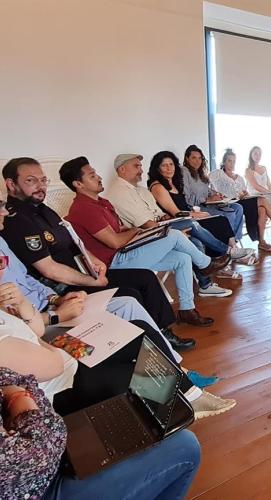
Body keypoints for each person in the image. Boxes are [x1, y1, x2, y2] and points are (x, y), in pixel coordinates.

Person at [0, 158, 193, 347]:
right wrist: (91, 281)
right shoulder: (17, 221)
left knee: (145, 277)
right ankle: (143, 343)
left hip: (85, 273)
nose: (40, 186)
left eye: (43, 180)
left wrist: (94, 261)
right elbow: (49, 269)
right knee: (130, 293)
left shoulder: (43, 210)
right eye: (31, 180)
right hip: (65, 286)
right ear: (11, 184)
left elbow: (74, 241)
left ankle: (162, 333)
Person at [0, 280, 235, 418]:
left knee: (139, 330)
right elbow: (54, 365)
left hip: (62, 355)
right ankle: (178, 405)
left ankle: (188, 393)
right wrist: (53, 341)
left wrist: (22, 304)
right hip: (58, 387)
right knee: (136, 372)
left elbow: (37, 331)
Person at [60, 157, 230, 327]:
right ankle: (205, 264)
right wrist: (137, 230)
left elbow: (120, 229)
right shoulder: (84, 209)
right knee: (174, 235)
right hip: (114, 262)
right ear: (78, 184)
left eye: (96, 173)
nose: (99, 177)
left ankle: (187, 310)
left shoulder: (101, 203)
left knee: (182, 258)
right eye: (92, 176)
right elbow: (114, 242)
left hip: (127, 250)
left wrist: (139, 232)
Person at [0, 367, 201, 500]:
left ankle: (185, 384)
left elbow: (14, 377)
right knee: (185, 446)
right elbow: (37, 451)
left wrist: (22, 401)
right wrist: (18, 395)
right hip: (40, 488)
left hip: (48, 458)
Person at [104, 154, 233, 299]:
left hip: (159, 227)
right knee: (192, 224)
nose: (141, 170)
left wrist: (167, 220)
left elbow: (160, 214)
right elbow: (146, 224)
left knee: (195, 239)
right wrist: (172, 231)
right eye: (136, 166)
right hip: (144, 237)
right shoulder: (119, 192)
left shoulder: (141, 190)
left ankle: (205, 285)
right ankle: (225, 252)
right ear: (122, 169)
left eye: (140, 166)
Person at [148, 150, 256, 264]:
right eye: (164, 165)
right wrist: (198, 214)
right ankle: (230, 252)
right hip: (180, 220)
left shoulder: (174, 183)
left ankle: (232, 253)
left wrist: (213, 196)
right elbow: (177, 212)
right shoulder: (158, 187)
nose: (169, 168)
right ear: (157, 168)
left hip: (188, 215)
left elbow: (186, 203)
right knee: (219, 221)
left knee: (222, 219)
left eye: (171, 164)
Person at [209, 148, 271, 252]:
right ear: (224, 162)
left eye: (234, 161)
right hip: (230, 203)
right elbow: (208, 182)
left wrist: (244, 193)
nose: (232, 164)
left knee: (262, 209)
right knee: (262, 199)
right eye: (229, 161)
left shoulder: (239, 178)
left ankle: (262, 242)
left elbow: (244, 192)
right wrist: (214, 194)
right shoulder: (218, 174)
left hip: (241, 200)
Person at [181, 144, 246, 245]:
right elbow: (187, 199)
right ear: (187, 158)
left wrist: (217, 194)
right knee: (228, 214)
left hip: (209, 204)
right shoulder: (184, 172)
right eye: (194, 158)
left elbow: (206, 190)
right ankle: (228, 244)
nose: (197, 161)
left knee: (238, 207)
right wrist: (207, 199)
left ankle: (234, 240)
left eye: (199, 158)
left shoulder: (199, 173)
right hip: (197, 207)